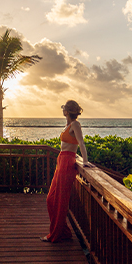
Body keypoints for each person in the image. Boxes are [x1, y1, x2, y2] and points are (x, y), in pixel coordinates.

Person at [42, 100, 93, 243]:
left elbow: (81, 142)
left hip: (67, 162)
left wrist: (85, 161)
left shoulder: (75, 124)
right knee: (51, 199)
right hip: (62, 161)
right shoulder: (68, 125)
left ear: (67, 111)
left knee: (60, 201)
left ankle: (56, 234)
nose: (62, 110)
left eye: (64, 108)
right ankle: (62, 231)